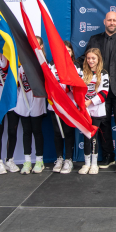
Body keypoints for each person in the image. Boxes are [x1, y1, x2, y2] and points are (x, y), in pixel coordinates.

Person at [77, 11, 116, 173]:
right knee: (102, 125)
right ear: (104, 21)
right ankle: (108, 155)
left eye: (114, 20)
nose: (111, 22)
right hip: (98, 92)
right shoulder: (94, 39)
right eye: (109, 20)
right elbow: (84, 59)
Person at [0, 36, 21, 175]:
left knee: (12, 131)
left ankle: (10, 159)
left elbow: (18, 81)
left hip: (12, 101)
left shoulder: (13, 60)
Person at [15, 36, 47, 175]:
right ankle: (27, 160)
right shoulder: (21, 62)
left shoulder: (43, 63)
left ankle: (39, 160)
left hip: (37, 100)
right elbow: (16, 82)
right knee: (26, 132)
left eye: (38, 44)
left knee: (37, 131)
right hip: (23, 100)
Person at [77, 48, 109, 175]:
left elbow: (104, 93)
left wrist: (89, 102)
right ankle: (86, 163)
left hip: (97, 111)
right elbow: (76, 90)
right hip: (84, 111)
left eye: (93, 58)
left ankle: (94, 164)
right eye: (88, 58)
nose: (91, 60)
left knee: (94, 137)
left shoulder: (104, 73)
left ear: (98, 59)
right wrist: (82, 103)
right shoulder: (81, 72)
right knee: (86, 137)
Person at [50, 40, 78, 174]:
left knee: (68, 132)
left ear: (72, 52)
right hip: (55, 105)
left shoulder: (76, 66)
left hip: (69, 105)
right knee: (57, 132)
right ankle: (59, 158)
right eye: (64, 50)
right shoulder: (51, 65)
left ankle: (69, 159)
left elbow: (77, 86)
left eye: (69, 50)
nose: (66, 52)